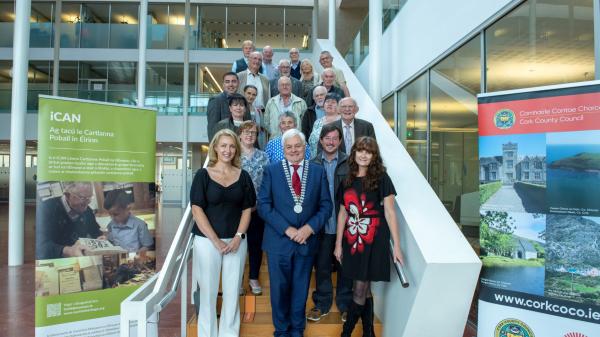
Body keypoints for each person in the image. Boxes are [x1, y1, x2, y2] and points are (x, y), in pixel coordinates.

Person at [257, 128, 332, 337]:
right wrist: (287, 229)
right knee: (279, 290)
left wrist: (309, 228)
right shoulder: (271, 170)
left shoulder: (317, 171)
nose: (293, 150)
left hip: (307, 241)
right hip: (279, 241)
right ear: (283, 149)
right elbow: (263, 205)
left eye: (298, 146)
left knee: (301, 290)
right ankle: (281, 331)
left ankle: (297, 330)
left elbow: (326, 206)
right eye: (289, 147)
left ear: (305, 147)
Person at [334, 137, 404, 337]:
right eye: (360, 150)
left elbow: (390, 212)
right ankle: (369, 332)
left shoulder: (381, 177)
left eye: (369, 151)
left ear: (374, 156)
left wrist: (397, 247)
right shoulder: (346, 179)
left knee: (360, 288)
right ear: (354, 153)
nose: (364, 155)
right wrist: (338, 244)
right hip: (352, 240)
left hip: (374, 239)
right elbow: (342, 213)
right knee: (363, 289)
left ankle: (346, 333)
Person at [190, 129, 256, 337]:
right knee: (208, 293)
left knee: (232, 293)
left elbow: (247, 209)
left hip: (236, 241)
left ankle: (229, 334)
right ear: (215, 148)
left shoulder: (243, 176)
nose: (227, 150)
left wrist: (238, 237)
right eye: (223, 145)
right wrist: (216, 241)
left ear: (236, 149)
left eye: (231, 146)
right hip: (207, 242)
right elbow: (196, 209)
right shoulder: (203, 175)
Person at [307, 123, 352, 323]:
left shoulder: (350, 163)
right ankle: (322, 303)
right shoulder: (312, 163)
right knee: (323, 266)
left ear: (340, 141)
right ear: (321, 141)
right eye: (327, 138)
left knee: (346, 268)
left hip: (347, 225)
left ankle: (345, 305)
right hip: (321, 226)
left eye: (335, 138)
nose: (331, 142)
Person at [237, 121, 270, 295]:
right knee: (238, 244)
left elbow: (267, 183)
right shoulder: (233, 155)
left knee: (256, 245)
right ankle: (238, 280)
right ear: (240, 134)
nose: (250, 135)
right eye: (246, 132)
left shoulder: (263, 156)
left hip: (257, 209)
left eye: (253, 133)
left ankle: (254, 277)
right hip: (237, 210)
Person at [36, 181, 104, 260]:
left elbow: (96, 232)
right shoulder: (45, 209)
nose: (87, 205)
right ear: (67, 195)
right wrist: (69, 251)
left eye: (89, 198)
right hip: (56, 261)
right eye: (82, 198)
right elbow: (40, 246)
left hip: (80, 258)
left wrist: (101, 239)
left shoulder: (87, 210)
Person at [104, 189, 154, 255]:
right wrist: (105, 239)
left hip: (134, 259)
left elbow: (148, 246)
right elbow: (111, 241)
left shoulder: (140, 225)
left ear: (128, 208)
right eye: (110, 215)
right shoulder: (111, 225)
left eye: (116, 214)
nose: (112, 218)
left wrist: (138, 254)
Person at [207, 72, 251, 140]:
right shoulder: (215, 100)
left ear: (238, 83)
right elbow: (212, 128)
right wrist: (214, 148)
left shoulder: (243, 100)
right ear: (223, 85)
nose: (231, 84)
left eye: (234, 81)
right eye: (227, 82)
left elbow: (248, 125)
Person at [308, 93, 341, 159]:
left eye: (333, 102)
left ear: (339, 106)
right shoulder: (317, 122)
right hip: (316, 160)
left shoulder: (342, 121)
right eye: (327, 101)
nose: (329, 104)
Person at [243, 85, 267, 149]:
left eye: (254, 95)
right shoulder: (239, 110)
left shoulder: (258, 111)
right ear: (244, 93)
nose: (251, 96)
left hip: (257, 145)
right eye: (249, 93)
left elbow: (262, 132)